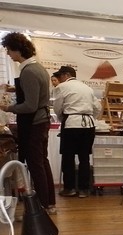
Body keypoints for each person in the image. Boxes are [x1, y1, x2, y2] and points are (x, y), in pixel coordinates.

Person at [0, 32, 56, 213]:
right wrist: (13, 88)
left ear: (17, 50)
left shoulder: (29, 71)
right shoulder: (37, 68)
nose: (8, 54)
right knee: (42, 161)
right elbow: (34, 92)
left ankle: (42, 204)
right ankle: (49, 202)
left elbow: (30, 106)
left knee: (35, 163)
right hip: (41, 122)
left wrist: (6, 108)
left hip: (34, 123)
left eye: (9, 50)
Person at [53, 65, 101, 198]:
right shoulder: (87, 88)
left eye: (60, 76)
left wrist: (63, 118)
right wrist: (91, 117)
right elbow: (97, 107)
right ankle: (84, 189)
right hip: (88, 124)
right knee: (84, 157)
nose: (59, 78)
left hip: (71, 123)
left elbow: (57, 107)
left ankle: (70, 188)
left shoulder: (62, 87)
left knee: (68, 157)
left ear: (66, 75)